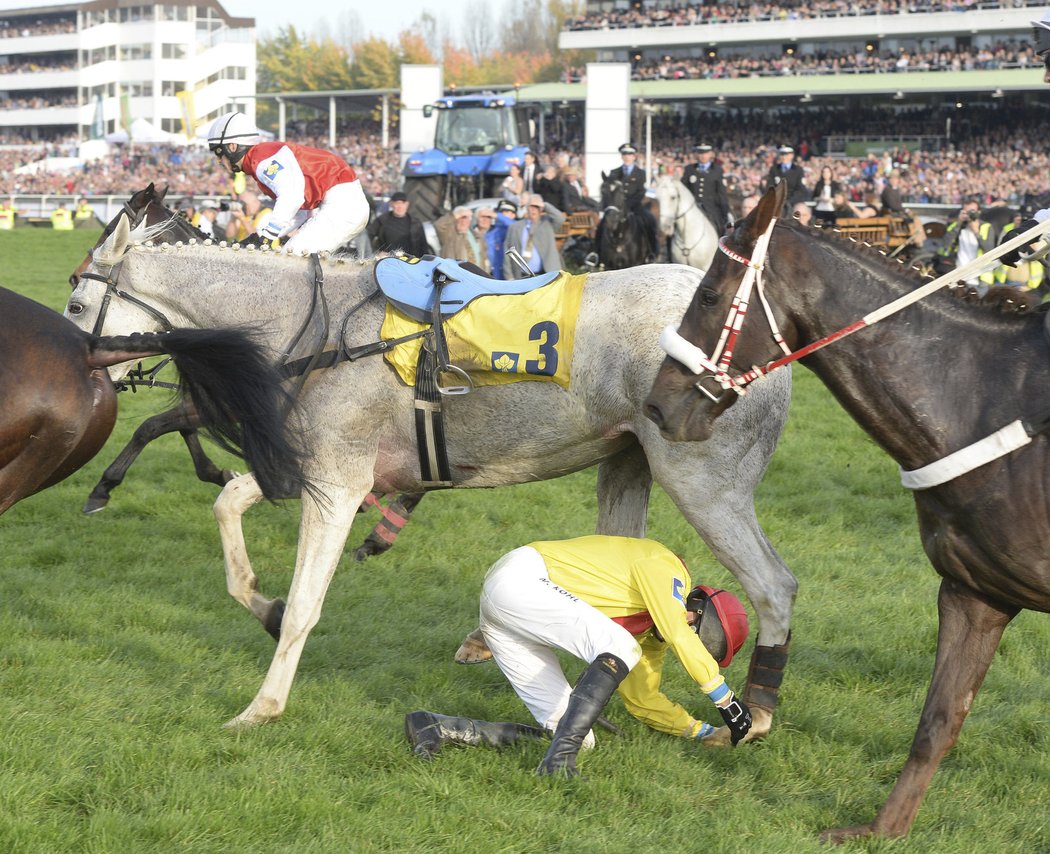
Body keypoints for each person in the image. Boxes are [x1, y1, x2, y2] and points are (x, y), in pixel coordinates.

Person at [404, 535, 753, 776]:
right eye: (697, 630)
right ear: (697, 604)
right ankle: (557, 766)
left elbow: (643, 700)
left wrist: (703, 730)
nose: (688, 634)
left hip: (507, 618)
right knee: (620, 648)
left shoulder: (649, 636)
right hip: (520, 578)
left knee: (577, 738)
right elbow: (679, 632)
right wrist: (726, 699)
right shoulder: (668, 568)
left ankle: (436, 725)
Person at [207, 111, 370, 254]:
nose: (219, 161)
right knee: (291, 258)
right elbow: (297, 212)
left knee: (290, 262)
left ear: (233, 147)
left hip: (341, 205)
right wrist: (261, 235)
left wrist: (267, 236)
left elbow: (292, 197)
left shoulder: (261, 160)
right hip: (343, 204)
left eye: (219, 153)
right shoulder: (261, 159)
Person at [608, 142, 658, 261]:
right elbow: (611, 191)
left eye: (629, 154)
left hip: (634, 207)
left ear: (634, 156)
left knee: (649, 221)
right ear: (621, 156)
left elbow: (641, 191)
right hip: (616, 208)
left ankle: (652, 252)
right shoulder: (614, 173)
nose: (627, 156)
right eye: (625, 154)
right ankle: (596, 252)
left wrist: (628, 205)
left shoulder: (640, 173)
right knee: (602, 223)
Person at [504, 193, 565, 278]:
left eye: (537, 207)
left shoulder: (547, 223)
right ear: (527, 208)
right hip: (521, 275)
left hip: (546, 273)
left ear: (541, 209)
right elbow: (507, 252)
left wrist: (545, 205)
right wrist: (509, 277)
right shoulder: (515, 227)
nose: (533, 210)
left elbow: (560, 218)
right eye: (531, 206)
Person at [936, 200, 994, 286]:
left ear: (979, 212)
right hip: (958, 277)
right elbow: (944, 246)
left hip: (979, 278)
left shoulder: (986, 227)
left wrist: (976, 232)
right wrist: (958, 224)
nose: (969, 215)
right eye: (966, 212)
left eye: (972, 211)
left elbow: (989, 250)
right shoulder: (956, 226)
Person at [680, 142, 730, 234]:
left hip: (711, 208)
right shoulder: (689, 169)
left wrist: (724, 213)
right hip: (692, 207)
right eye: (700, 153)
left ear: (711, 154)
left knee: (719, 228)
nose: (703, 156)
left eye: (705, 153)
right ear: (696, 154)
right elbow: (683, 190)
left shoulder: (717, 170)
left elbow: (721, 193)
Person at [366, 190, 428, 257]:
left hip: (411, 262)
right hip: (388, 261)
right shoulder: (382, 220)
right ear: (391, 204)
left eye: (402, 203)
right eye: (397, 203)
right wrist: (376, 253)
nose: (400, 207)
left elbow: (423, 246)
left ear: (407, 204)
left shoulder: (415, 223)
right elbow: (367, 236)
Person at [435, 205, 489, 272]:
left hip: (477, 276)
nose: (463, 221)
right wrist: (454, 215)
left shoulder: (476, 235)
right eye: (461, 218)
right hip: (457, 275)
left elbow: (484, 258)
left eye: (466, 218)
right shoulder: (449, 234)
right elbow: (438, 225)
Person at [765, 145, 806, 215]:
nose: (784, 157)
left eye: (786, 154)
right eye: (782, 154)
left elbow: (800, 189)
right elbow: (770, 186)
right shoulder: (774, 169)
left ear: (792, 155)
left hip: (792, 204)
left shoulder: (798, 170)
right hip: (776, 203)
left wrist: (789, 201)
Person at [486, 199, 517, 279]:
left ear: (514, 215)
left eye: (506, 212)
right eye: (501, 212)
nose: (502, 215)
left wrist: (497, 216)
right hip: (494, 273)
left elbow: (512, 225)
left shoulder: (516, 227)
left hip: (511, 272)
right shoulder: (492, 231)